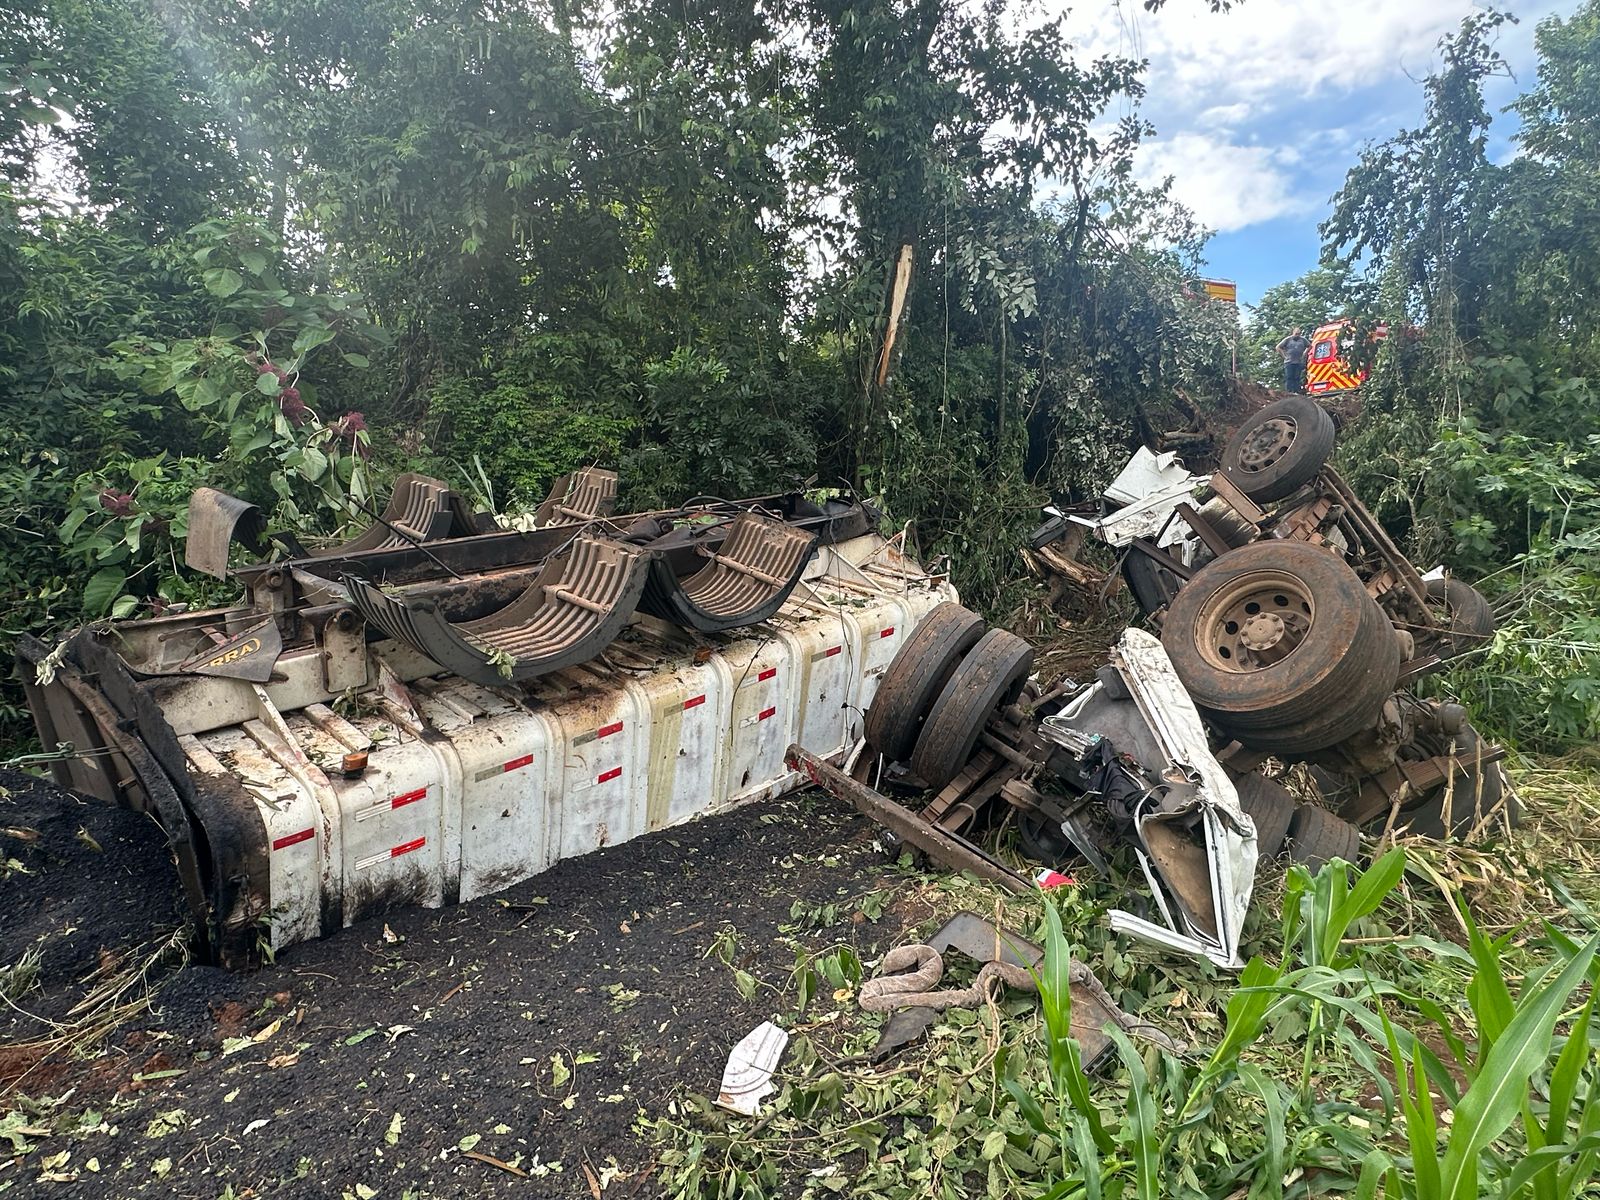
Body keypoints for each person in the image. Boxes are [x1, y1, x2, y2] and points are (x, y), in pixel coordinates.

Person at [1276, 327, 1310, 394]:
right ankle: (1289, 392)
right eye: (1296, 334)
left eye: (1299, 334)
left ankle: (1297, 391)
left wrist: (1304, 353)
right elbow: (1278, 347)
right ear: (1293, 333)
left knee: (1297, 377)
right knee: (1289, 377)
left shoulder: (1303, 340)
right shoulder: (1288, 339)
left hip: (1298, 361)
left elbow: (1309, 346)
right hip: (1289, 362)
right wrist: (1284, 356)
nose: (1297, 335)